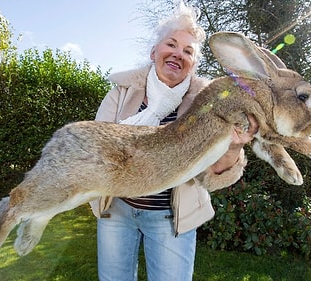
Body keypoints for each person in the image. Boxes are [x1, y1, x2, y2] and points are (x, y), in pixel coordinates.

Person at [89, 2, 258, 281]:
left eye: (188, 51)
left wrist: (234, 146)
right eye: (172, 44)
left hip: (171, 219)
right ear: (154, 51)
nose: (178, 54)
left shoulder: (209, 104)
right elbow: (97, 146)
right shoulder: (121, 92)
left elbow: (212, 175)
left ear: (193, 64)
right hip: (117, 211)